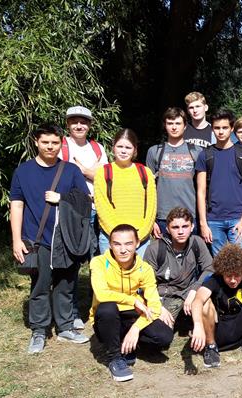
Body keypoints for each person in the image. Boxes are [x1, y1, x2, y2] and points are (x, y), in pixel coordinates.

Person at [10, 124, 92, 353]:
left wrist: (61, 198)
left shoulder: (71, 170)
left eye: (55, 143)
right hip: (37, 240)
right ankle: (39, 331)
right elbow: (16, 205)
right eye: (45, 142)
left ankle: (65, 327)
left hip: (67, 238)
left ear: (61, 143)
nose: (50, 147)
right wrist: (16, 240)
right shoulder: (23, 172)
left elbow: (85, 201)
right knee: (40, 285)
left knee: (66, 284)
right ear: (36, 142)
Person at [91, 224, 173, 381]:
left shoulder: (145, 268)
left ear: (137, 243)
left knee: (164, 336)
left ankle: (128, 343)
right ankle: (115, 357)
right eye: (117, 244)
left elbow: (155, 306)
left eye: (128, 244)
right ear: (110, 245)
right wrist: (133, 300)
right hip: (107, 317)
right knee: (107, 308)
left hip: (131, 315)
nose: (123, 250)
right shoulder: (99, 262)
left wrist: (136, 329)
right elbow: (101, 294)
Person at [62, 105, 107, 328]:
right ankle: (71, 312)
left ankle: (96, 307)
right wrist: (91, 171)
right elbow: (63, 176)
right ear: (68, 124)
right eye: (74, 121)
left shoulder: (98, 148)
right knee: (71, 262)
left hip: (98, 210)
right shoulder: (60, 146)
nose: (79, 125)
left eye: (83, 122)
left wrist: (81, 168)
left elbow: (105, 176)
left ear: (89, 125)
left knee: (97, 262)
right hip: (73, 211)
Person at [194, 110, 242, 256]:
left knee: (240, 261)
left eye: (225, 127)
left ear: (232, 128)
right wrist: (203, 223)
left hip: (238, 218)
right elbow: (201, 192)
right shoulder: (205, 155)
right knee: (219, 263)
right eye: (217, 128)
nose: (221, 132)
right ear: (212, 129)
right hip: (213, 219)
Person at [142, 207, 214, 332]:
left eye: (185, 226)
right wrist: (158, 306)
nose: (180, 231)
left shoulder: (197, 242)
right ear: (168, 229)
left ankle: (207, 338)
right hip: (164, 296)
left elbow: (210, 268)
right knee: (160, 333)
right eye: (175, 227)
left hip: (187, 292)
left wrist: (194, 290)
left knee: (206, 302)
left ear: (192, 227)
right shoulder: (155, 249)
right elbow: (146, 282)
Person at [93, 129, 156, 256]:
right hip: (111, 238)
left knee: (139, 270)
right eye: (120, 146)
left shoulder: (145, 172)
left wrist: (139, 236)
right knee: (110, 270)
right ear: (113, 147)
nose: (123, 151)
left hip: (140, 239)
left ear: (134, 150)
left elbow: (151, 206)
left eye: (128, 147)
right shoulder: (103, 172)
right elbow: (101, 206)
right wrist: (118, 237)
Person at [146, 107, 203, 238]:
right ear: (165, 125)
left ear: (185, 126)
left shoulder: (197, 151)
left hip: (189, 215)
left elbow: (202, 187)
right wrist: (151, 220)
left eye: (178, 123)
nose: (174, 127)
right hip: (163, 216)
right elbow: (148, 189)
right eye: (170, 123)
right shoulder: (154, 151)